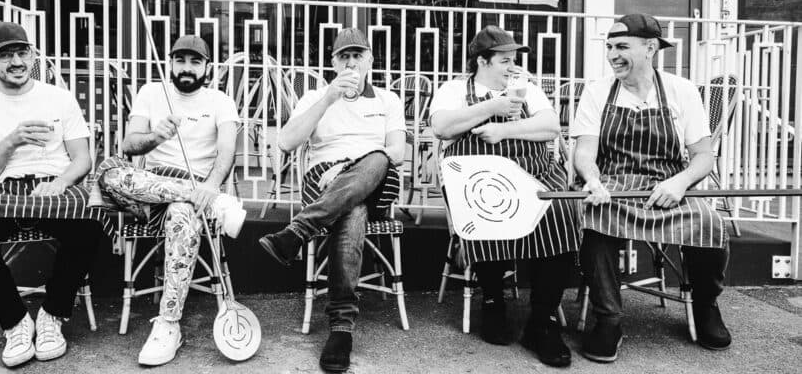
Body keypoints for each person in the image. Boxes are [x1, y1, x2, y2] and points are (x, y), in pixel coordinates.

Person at [0, 22, 103, 368]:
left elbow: (83, 159)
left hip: (53, 186)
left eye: (21, 52)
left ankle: (52, 316)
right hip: (2, 191)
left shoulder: (59, 97)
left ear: (32, 55)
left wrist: (60, 182)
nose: (15, 61)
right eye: (4, 55)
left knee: (91, 222)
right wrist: (12, 140)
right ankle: (15, 322)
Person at [571, 13, 731, 363]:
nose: (613, 54)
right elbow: (584, 151)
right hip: (615, 185)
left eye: (622, 46)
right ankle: (608, 318)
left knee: (709, 223)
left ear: (650, 48)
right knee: (594, 219)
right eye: (610, 47)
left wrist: (681, 181)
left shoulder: (681, 90)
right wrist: (593, 180)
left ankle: (706, 306)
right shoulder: (598, 92)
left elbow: (704, 156)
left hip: (669, 186)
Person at [430, 25, 581, 368]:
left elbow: (550, 127)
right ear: (481, 61)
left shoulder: (527, 87)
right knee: (486, 210)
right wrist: (493, 105)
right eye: (504, 60)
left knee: (563, 211)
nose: (513, 66)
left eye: (514, 59)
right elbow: (442, 127)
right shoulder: (455, 89)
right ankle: (493, 301)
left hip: (534, 171)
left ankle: (542, 323)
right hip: (479, 176)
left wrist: (504, 129)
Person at [258, 28, 406, 374]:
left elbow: (397, 152)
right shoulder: (314, 96)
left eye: (358, 56)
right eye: (344, 57)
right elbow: (286, 142)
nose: (351, 63)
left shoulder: (387, 100)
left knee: (379, 160)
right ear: (333, 63)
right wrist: (328, 99)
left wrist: (349, 166)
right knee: (352, 209)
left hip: (376, 176)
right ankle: (341, 328)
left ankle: (296, 233)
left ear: (371, 60)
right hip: (322, 181)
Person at [94, 34, 241, 366]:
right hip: (149, 190)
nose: (187, 68)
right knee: (109, 173)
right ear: (171, 62)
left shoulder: (220, 101)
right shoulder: (151, 93)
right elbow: (129, 146)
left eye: (195, 61)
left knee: (182, 214)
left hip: (195, 191)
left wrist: (210, 186)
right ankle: (215, 203)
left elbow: (228, 151)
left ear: (207, 67)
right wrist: (156, 136)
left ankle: (168, 325)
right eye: (180, 60)